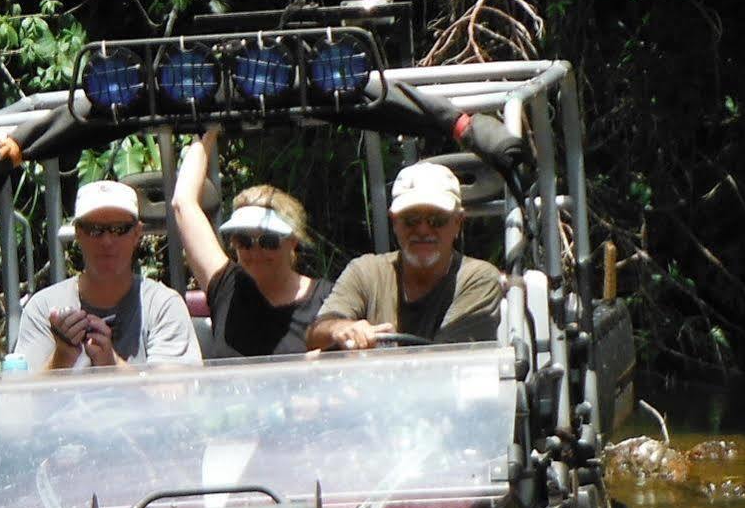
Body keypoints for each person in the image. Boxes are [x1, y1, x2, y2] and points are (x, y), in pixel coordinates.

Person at [306, 160, 504, 350]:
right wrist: (339, 329)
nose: (423, 230)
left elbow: (446, 364)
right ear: (394, 222)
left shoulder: (478, 278)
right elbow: (315, 334)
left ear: (458, 222)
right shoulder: (366, 271)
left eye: (437, 220)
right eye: (411, 219)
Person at [170, 127, 332, 358]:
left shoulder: (329, 299)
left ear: (293, 241)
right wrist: (206, 133)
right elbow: (182, 203)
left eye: (268, 241)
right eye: (243, 240)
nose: (255, 251)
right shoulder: (228, 286)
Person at [15, 179, 202, 370]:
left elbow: (176, 393)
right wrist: (62, 356)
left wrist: (112, 364)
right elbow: (23, 397)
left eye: (118, 229)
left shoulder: (163, 305)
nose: (107, 241)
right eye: (95, 230)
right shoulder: (44, 308)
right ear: (78, 233)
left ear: (137, 233)